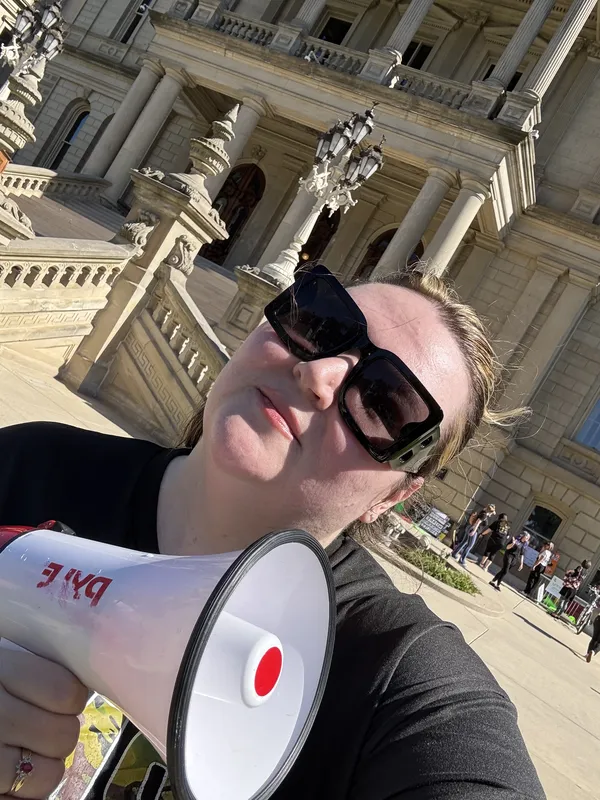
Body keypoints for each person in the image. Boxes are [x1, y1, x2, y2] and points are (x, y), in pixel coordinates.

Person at [0, 263, 545, 800]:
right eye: (320, 325)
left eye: (384, 403)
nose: (317, 373)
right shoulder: (27, 464)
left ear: (395, 495)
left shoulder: (396, 675)